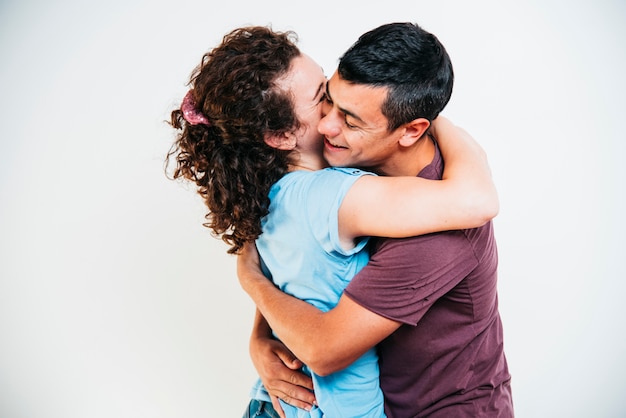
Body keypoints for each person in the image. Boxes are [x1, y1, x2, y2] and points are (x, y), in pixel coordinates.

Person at [167, 26, 498, 417]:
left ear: (411, 129)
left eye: (347, 115)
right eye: (327, 99)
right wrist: (259, 336)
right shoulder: (337, 191)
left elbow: (317, 336)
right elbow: (307, 271)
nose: (328, 124)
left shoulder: (432, 228)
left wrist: (252, 281)